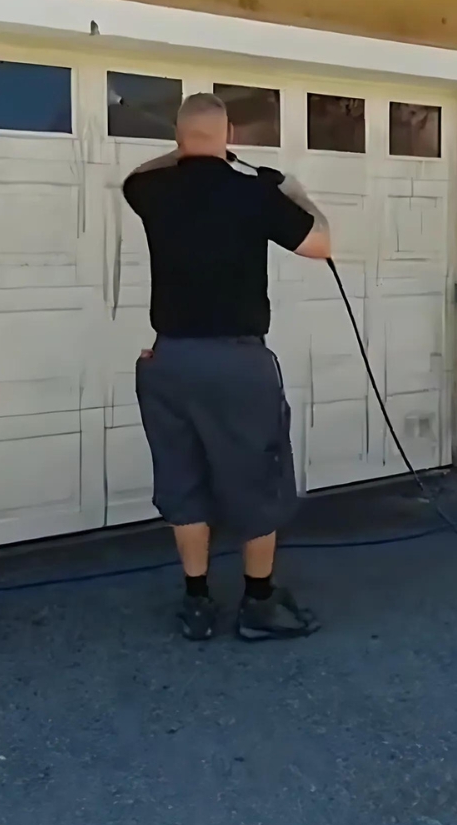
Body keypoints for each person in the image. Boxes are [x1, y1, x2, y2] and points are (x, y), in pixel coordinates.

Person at [122, 91, 333, 641]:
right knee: (256, 477)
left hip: (170, 360)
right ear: (231, 135)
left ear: (177, 137)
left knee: (181, 476)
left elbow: (140, 170)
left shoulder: (150, 188)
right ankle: (258, 602)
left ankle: (197, 602)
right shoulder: (252, 194)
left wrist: (185, 152)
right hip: (238, 361)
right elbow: (322, 245)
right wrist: (293, 191)